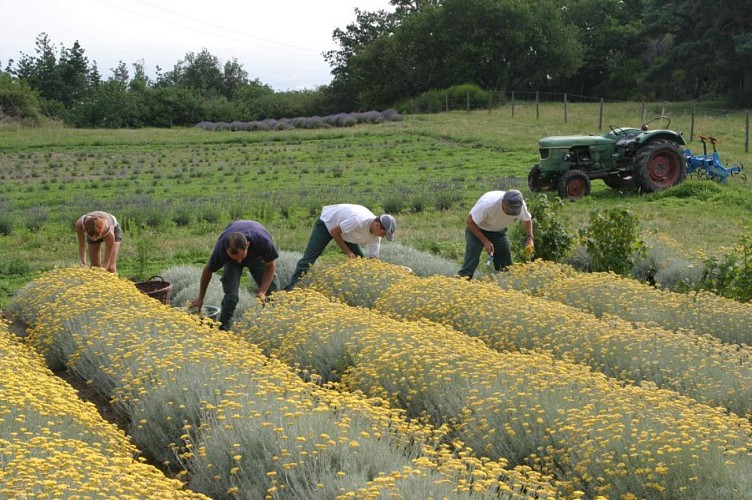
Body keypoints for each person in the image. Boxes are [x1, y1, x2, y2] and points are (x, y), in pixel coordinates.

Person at [190, 220, 280, 330]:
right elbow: (208, 270)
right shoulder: (222, 249)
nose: (239, 262)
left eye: (241, 257)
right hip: (231, 260)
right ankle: (223, 329)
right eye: (235, 258)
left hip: (256, 256)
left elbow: (270, 265)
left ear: (247, 245)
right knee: (231, 296)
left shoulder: (262, 241)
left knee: (273, 292)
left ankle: (275, 324)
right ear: (226, 251)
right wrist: (200, 298)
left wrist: (262, 291)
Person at [285, 204, 396, 289]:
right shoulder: (358, 220)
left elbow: (374, 260)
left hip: (346, 232)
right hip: (327, 223)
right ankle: (290, 291)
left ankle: (356, 289)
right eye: (384, 233)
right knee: (308, 260)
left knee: (361, 263)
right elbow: (334, 231)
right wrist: (348, 252)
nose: (383, 236)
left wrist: (381, 273)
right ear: (377, 226)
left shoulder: (376, 237)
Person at [458, 189, 534, 279]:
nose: (511, 213)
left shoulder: (519, 204)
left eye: (514, 212)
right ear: (503, 203)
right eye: (509, 210)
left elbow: (527, 220)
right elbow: (470, 222)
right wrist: (485, 241)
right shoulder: (487, 205)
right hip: (477, 230)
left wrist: (530, 238)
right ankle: (462, 283)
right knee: (470, 264)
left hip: (498, 232)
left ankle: (503, 288)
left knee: (505, 267)